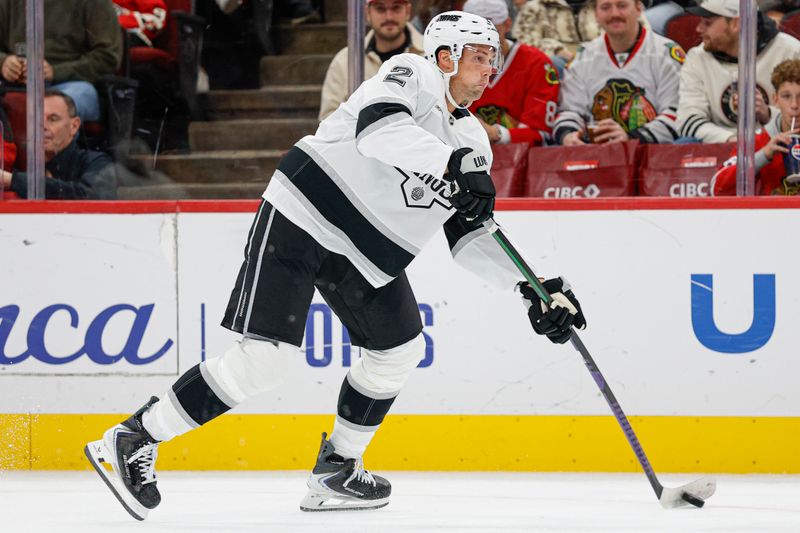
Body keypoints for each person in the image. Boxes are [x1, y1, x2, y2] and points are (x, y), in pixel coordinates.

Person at [84, 10, 586, 520]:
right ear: (445, 56)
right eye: (479, 57)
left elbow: (471, 233)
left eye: (493, 59)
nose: (490, 69)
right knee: (265, 361)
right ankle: (134, 436)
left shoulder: (473, 141)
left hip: (363, 254)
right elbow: (378, 130)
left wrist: (533, 287)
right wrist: (449, 164)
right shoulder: (411, 73)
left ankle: (337, 469)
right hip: (304, 215)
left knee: (399, 350)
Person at [553, 0, 684, 145]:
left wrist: (632, 138)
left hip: (651, 152)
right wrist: (568, 135)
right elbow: (569, 111)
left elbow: (677, 114)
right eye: (605, 7)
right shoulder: (584, 56)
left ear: (638, 8)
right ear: (596, 14)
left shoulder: (665, 53)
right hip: (593, 152)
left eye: (622, 5)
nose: (614, 14)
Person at [677, 0, 800, 143]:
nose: (698, 29)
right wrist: (731, 140)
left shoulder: (791, 51)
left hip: (779, 141)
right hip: (720, 144)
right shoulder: (697, 58)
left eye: (707, 23)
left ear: (736, 24)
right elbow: (688, 119)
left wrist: (767, 114)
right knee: (684, 142)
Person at [0, 0, 122, 123]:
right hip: (14, 85)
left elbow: (108, 58)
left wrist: (55, 72)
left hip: (73, 84)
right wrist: (4, 62)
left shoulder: (94, 3)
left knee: (57, 108)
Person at [463, 0, 561, 145]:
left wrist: (496, 133)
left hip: (521, 157)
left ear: (507, 24)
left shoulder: (538, 64)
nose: (482, 41)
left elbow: (540, 135)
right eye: (473, 33)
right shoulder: (453, 66)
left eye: (491, 31)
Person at [319, 0, 424, 120]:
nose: (389, 17)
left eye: (396, 8)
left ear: (408, 11)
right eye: (380, 9)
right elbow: (328, 120)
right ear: (367, 13)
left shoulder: (430, 55)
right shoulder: (344, 61)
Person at [1, 91, 117, 199]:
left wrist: (13, 181)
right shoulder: (18, 163)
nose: (42, 126)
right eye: (36, 119)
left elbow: (91, 196)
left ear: (74, 126)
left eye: (53, 119)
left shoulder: (97, 163)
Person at [711, 59, 800, 195]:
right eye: (786, 96)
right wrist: (763, 156)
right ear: (775, 99)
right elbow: (716, 188)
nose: (794, 105)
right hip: (773, 210)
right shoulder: (759, 140)